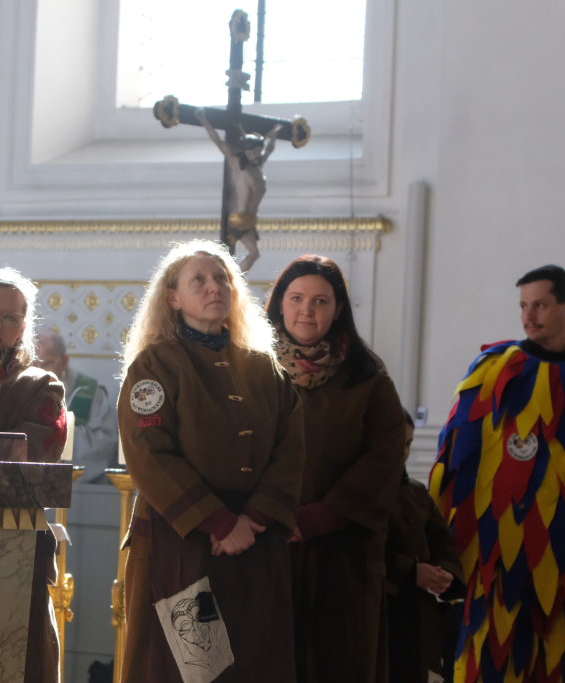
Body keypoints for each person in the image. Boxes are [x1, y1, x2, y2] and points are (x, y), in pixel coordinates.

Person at [430, 265, 565, 682]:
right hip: (499, 549)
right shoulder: (492, 372)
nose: (529, 316)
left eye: (540, 305)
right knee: (492, 654)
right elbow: (457, 458)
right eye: (523, 306)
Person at [118, 240, 304, 683]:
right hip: (184, 541)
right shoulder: (155, 365)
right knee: (192, 670)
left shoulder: (264, 368)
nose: (213, 287)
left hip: (257, 541)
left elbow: (292, 448)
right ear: (173, 297)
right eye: (198, 280)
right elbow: (149, 453)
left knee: (257, 664)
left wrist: (253, 519)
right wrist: (219, 523)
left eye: (221, 278)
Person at [265, 254, 406, 683]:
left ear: (338, 308)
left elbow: (385, 457)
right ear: (279, 304)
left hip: (342, 553)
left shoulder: (368, 377)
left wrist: (319, 518)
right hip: (264, 545)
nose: (307, 310)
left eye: (320, 301)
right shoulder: (252, 371)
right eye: (297, 298)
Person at [0, 267, 68, 683]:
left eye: (10, 318)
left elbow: (31, 461)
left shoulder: (40, 387)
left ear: (23, 327)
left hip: (9, 548)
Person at [386, 409, 465, 683]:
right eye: (397, 442)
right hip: (381, 616)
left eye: (408, 443)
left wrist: (444, 573)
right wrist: (411, 572)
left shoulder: (418, 494)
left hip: (418, 618)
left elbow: (444, 543)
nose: (403, 451)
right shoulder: (360, 494)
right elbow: (359, 551)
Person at [195, 107, 283, 273]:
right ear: (245, 153)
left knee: (253, 254)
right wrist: (203, 120)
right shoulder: (239, 167)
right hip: (239, 218)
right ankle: (232, 280)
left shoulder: (258, 165)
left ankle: (232, 279)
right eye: (251, 153)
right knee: (251, 253)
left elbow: (269, 149)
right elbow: (218, 141)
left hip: (250, 219)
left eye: (256, 152)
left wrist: (274, 134)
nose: (254, 156)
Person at [34, 327, 118, 482]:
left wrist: (57, 435)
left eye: (47, 363)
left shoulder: (89, 392)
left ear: (65, 361)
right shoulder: (23, 388)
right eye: (33, 364)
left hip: (80, 488)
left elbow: (103, 443)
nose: (39, 371)